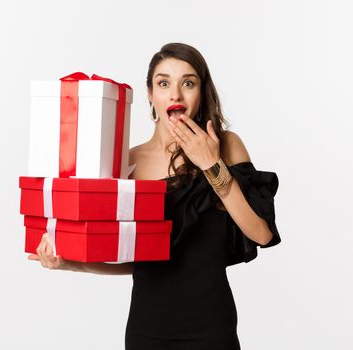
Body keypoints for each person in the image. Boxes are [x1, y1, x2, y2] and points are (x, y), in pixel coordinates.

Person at [28, 42, 281, 350]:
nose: (175, 94)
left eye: (188, 83)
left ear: (201, 93)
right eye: (163, 83)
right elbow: (137, 261)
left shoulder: (225, 145)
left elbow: (262, 233)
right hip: (147, 331)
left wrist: (211, 165)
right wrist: (72, 263)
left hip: (211, 329)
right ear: (150, 94)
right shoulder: (127, 162)